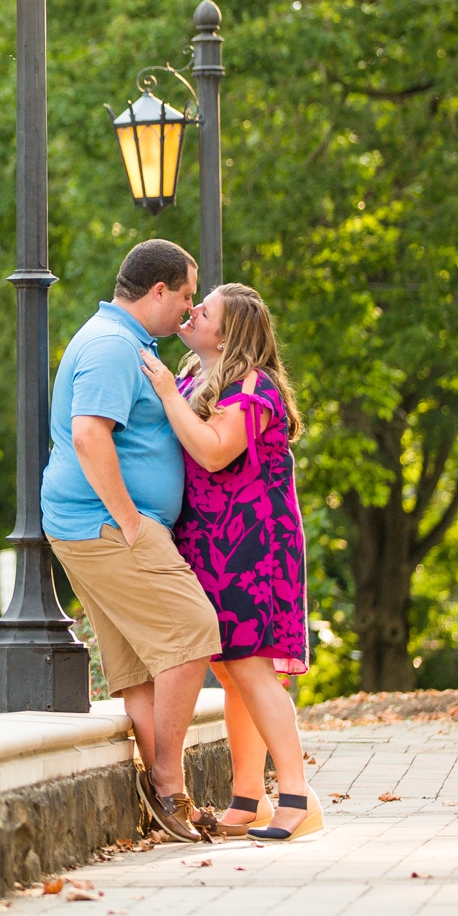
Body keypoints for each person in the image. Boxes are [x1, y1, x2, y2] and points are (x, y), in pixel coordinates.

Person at [41, 239, 220, 843]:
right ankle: (168, 784)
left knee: (142, 668)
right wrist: (132, 521)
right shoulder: (114, 345)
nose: (189, 310)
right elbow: (90, 435)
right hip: (104, 523)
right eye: (187, 296)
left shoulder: (121, 341)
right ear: (159, 290)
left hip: (92, 522)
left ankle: (168, 791)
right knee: (196, 631)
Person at [139, 282, 320, 842]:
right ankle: (250, 797)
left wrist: (169, 396)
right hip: (209, 540)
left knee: (250, 664)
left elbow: (215, 449)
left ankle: (298, 797)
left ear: (230, 331)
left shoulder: (254, 388)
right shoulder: (198, 377)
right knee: (228, 665)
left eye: (205, 309)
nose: (192, 313)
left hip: (253, 543)